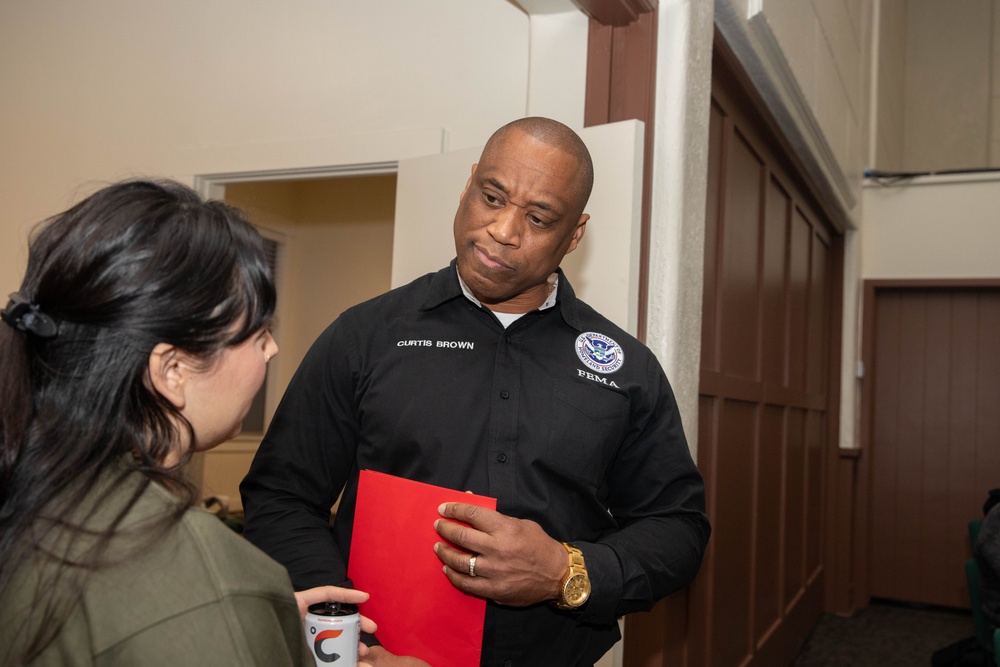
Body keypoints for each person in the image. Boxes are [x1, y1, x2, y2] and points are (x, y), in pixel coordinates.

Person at [241, 116, 711, 666]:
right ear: (468, 185)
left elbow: (677, 529)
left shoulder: (626, 369)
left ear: (574, 234)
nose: (504, 230)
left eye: (539, 218)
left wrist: (565, 572)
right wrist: (347, 644)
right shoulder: (364, 337)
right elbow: (282, 497)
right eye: (492, 197)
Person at [0, 180, 377, 666]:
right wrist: (227, 610)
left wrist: (262, 627)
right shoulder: (204, 575)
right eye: (258, 332)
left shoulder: (38, 490)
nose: (272, 348)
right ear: (172, 370)